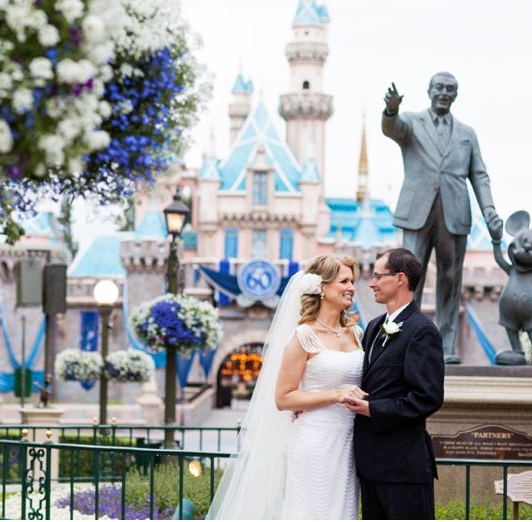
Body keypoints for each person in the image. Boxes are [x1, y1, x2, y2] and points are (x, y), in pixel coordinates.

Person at [207, 254, 366, 519]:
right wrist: (336, 395)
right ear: (322, 288)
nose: (351, 287)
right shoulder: (303, 335)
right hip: (315, 440)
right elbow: (283, 398)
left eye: (353, 281)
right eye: (344, 281)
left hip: (350, 441)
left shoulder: (357, 333)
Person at [382, 72, 503, 364]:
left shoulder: (467, 133)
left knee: (451, 279)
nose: (444, 93)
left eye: (450, 89)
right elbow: (392, 128)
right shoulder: (411, 122)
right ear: (429, 91)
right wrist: (391, 109)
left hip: (455, 213)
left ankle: (446, 347)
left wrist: (489, 210)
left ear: (456, 95)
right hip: (417, 212)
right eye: (439, 88)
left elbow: (480, 175)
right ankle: (404, 341)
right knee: (408, 279)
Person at [346, 248, 445, 519]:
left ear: (400, 278)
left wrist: (372, 409)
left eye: (378, 276)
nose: (371, 282)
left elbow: (428, 398)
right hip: (368, 465)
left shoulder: (422, 330)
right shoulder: (374, 327)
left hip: (404, 469)